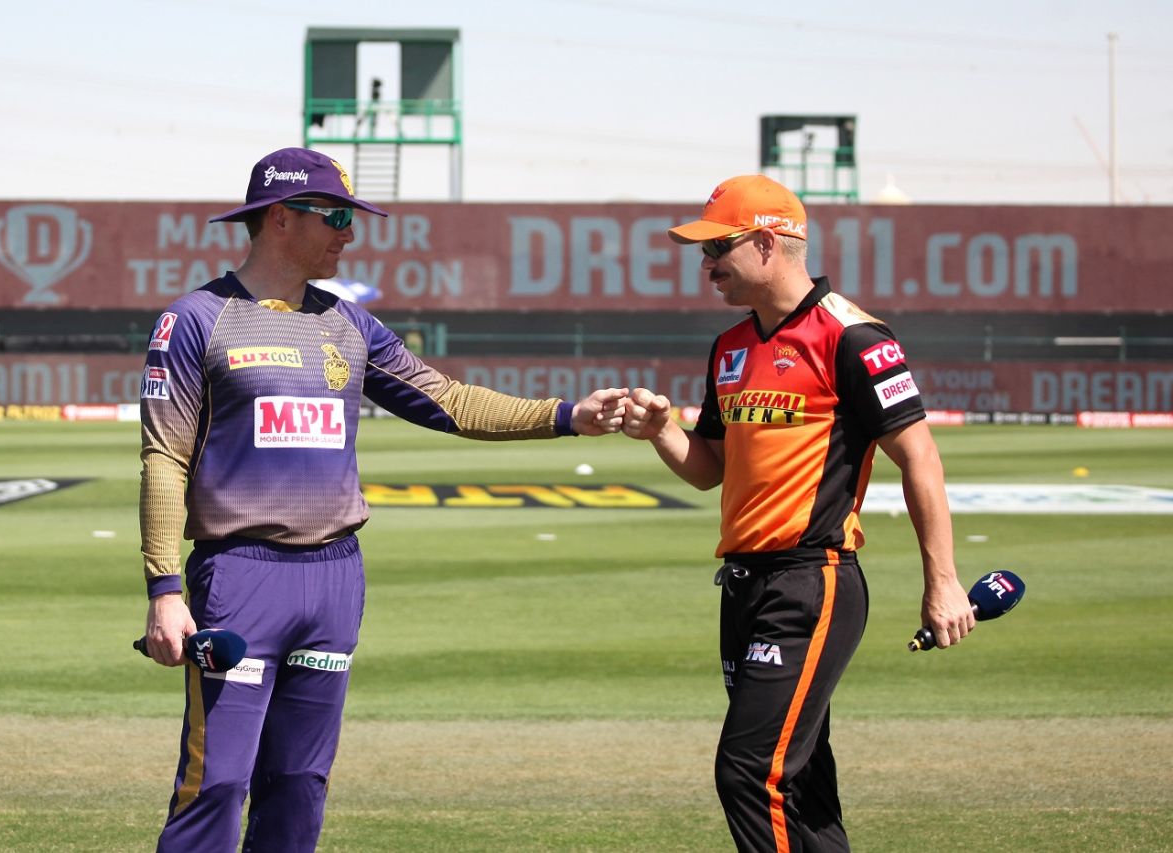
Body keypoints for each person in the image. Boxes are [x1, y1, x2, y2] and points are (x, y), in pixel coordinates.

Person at [138, 146, 628, 852]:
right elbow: (164, 457)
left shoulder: (350, 325)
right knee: (216, 781)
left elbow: (449, 400)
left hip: (335, 579)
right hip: (240, 579)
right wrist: (164, 586)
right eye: (335, 216)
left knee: (300, 781)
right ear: (280, 218)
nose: (349, 232)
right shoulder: (194, 321)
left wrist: (568, 415)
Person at [620, 174, 973, 852]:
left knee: (748, 773)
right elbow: (709, 468)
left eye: (717, 248)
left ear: (766, 241)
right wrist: (661, 430)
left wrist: (943, 578)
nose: (707, 266)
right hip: (745, 587)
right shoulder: (729, 346)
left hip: (812, 582)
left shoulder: (853, 335)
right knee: (800, 783)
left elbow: (921, 457)